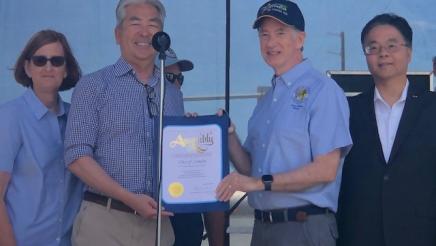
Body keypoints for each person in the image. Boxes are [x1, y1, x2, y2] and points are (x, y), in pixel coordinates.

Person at [215, 1, 352, 245]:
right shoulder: (266, 102)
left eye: (280, 33)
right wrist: (226, 134)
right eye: (264, 34)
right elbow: (250, 170)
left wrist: (258, 183)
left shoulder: (323, 91)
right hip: (263, 228)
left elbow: (325, 169)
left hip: (304, 227)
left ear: (300, 39)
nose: (270, 42)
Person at [64, 0, 182, 245]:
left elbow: (179, 155)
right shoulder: (93, 86)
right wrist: (127, 197)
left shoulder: (171, 93)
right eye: (135, 22)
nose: (144, 31)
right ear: (118, 34)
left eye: (153, 24)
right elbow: (76, 156)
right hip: (105, 222)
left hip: (158, 226)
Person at [337, 13, 436, 246]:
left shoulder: (432, 107)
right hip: (359, 234)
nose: (383, 53)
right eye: (373, 47)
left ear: (409, 52)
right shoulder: (347, 111)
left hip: (421, 234)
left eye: (392, 45)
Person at [0, 29, 83, 246]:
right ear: (27, 67)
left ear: (66, 70)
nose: (48, 67)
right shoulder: (10, 117)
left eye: (57, 61)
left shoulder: (76, 118)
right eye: (40, 60)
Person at [155, 48, 226, 246]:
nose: (177, 84)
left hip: (187, 231)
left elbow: (213, 190)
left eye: (180, 78)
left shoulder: (191, 133)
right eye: (170, 77)